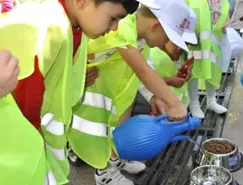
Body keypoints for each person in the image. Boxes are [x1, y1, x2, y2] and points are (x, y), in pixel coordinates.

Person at [0, 0, 159, 184]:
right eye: (113, 18)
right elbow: (26, 103)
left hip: (38, 145)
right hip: (19, 153)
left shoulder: (73, 26)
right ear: (82, 1)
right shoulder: (50, 28)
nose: (114, 28)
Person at [67, 0, 192, 184]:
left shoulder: (141, 39)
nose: (164, 44)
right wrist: (174, 103)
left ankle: (115, 159)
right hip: (92, 91)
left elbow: (138, 73)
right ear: (155, 26)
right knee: (98, 134)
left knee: (113, 129)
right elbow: (143, 70)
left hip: (113, 93)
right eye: (166, 39)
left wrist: (153, 96)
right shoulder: (124, 27)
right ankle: (104, 173)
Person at [134, 7, 198, 116]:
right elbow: (143, 74)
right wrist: (174, 104)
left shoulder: (143, 45)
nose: (180, 48)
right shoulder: (146, 50)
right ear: (156, 26)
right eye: (169, 38)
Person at [185, 0, 230, 118]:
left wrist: (226, 21)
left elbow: (224, 10)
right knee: (193, 69)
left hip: (213, 39)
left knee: (212, 67)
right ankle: (194, 104)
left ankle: (211, 100)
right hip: (195, 39)